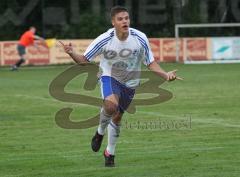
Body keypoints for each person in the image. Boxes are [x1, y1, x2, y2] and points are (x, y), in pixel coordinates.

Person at [59, 6, 182, 167]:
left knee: (117, 117)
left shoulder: (140, 37)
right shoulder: (105, 39)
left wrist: (166, 75)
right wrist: (71, 53)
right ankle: (100, 132)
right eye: (120, 19)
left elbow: (150, 62)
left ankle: (109, 152)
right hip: (109, 75)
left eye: (126, 18)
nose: (124, 21)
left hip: (130, 82)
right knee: (111, 106)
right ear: (113, 22)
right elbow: (83, 60)